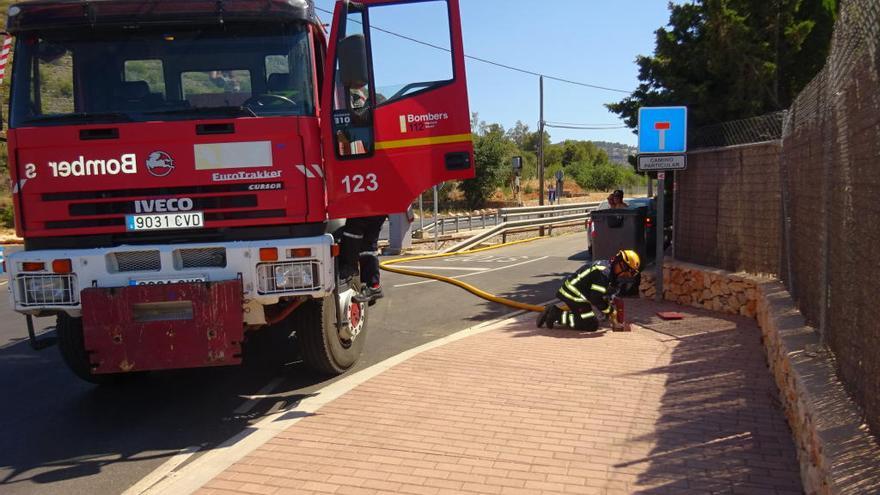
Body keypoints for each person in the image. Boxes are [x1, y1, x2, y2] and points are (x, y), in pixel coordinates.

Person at [537, 249, 641, 331]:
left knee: (588, 320)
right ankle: (555, 314)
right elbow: (596, 298)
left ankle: (554, 312)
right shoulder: (604, 273)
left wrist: (608, 305)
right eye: (628, 272)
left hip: (577, 295)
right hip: (573, 294)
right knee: (591, 325)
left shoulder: (608, 270)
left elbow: (602, 294)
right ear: (621, 265)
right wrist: (611, 312)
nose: (626, 275)